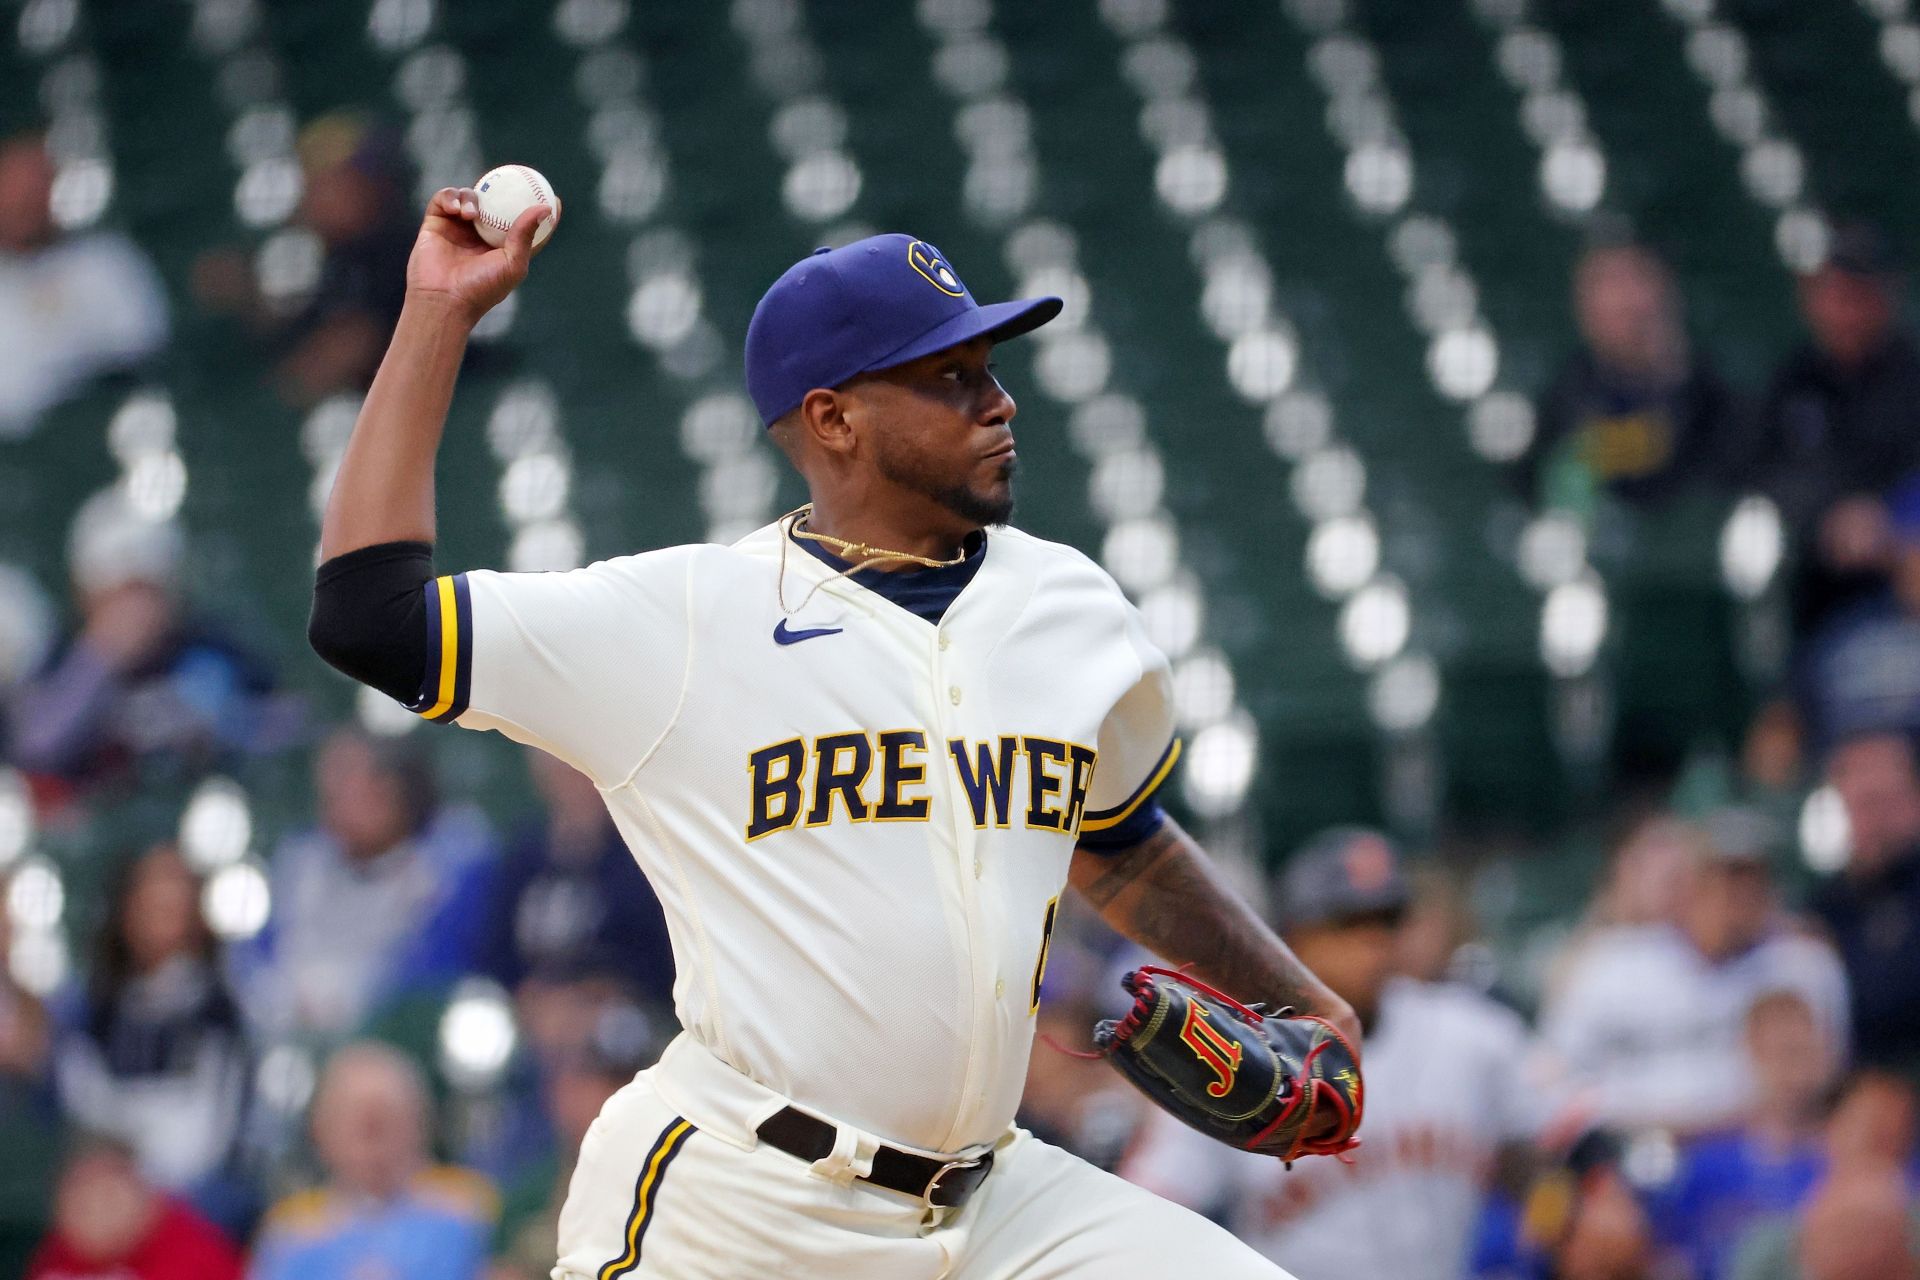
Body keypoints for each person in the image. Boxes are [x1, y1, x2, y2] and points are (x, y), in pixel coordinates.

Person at [306, 190, 1359, 1277]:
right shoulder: (683, 621)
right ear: (834, 418)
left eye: (990, 368)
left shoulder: (1074, 610)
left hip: (995, 1200)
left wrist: (1303, 1002)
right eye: (950, 377)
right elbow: (366, 614)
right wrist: (435, 313)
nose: (998, 402)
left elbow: (1119, 836)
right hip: (742, 1205)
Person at [1213, 829, 1560, 1280]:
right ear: (1293, 937)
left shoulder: (1472, 1032)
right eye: (1349, 923)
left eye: (1386, 920)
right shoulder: (1231, 1056)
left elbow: (1564, 1142)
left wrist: (1557, 1212)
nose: (1373, 943)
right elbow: (1158, 1197)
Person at [1541, 811, 1848, 1132]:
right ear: (1688, 886)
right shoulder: (1611, 963)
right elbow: (1555, 1078)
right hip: (1630, 1145)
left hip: (1761, 1148)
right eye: (1720, 881)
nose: (1735, 898)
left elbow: (1830, 1074)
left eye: (1750, 882)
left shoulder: (1803, 965)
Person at [7, 490, 291, 803]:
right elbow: (35, 751)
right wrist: (100, 658)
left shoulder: (211, 651)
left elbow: (283, 728)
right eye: (119, 596)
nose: (134, 613)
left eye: (147, 593)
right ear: (85, 597)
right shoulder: (61, 659)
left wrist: (211, 722)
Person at [235, 727, 496, 1039]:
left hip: (392, 1039)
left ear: (392, 789)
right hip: (292, 1034)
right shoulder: (303, 860)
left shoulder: (447, 861)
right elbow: (255, 958)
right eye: (327, 784)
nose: (330, 795)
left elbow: (435, 975)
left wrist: (343, 1003)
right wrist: (282, 1002)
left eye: (346, 780)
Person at [50, 842, 250, 1221]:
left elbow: (211, 1136)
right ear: (124, 912)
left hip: (193, 1198)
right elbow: (86, 1113)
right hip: (105, 1196)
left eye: (175, 906)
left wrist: (150, 1190)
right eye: (150, 904)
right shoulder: (91, 1012)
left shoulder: (219, 1011)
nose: (163, 918)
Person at [1754, 221, 1920, 636]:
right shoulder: (1790, 383)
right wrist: (1830, 519)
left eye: (1858, 295)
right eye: (1833, 293)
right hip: (1819, 585)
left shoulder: (1911, 376)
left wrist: (1891, 522)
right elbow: (1768, 476)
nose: (1844, 309)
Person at [192, 113, 415, 407]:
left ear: (375, 185)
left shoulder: (404, 253)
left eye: (332, 180)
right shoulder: (333, 259)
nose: (312, 193)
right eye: (311, 179)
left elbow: (340, 355)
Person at [250, 1041, 496, 1280]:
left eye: (388, 1121)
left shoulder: (469, 1212)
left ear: (421, 1123)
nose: (374, 1144)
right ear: (321, 1131)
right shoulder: (293, 1234)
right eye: (359, 1126)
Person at [1527, 240, 1745, 509]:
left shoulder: (1719, 390)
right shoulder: (1566, 396)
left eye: (1636, 277)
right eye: (1607, 283)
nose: (1626, 300)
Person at [1651, 991, 1836, 1280]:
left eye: (1804, 1051)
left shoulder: (1853, 1164)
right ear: (1751, 1051)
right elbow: (1672, 1259)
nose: (1795, 1072)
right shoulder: (1708, 1167)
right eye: (1781, 1053)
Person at [0, 131, 169, 438]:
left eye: (35, 184)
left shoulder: (107, 260)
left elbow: (140, 351)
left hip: (116, 427)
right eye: (13, 187)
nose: (26, 199)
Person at [479, 747, 674, 1004]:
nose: (571, 785)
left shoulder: (637, 856)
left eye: (578, 773)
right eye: (561, 773)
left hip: (623, 1010)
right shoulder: (525, 857)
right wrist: (527, 997)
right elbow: (496, 952)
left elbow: (654, 953)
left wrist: (596, 994)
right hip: (534, 1011)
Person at [1810, 731, 1920, 1076]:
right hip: (1856, 1087)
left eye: (1884, 802)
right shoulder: (1828, 905)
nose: (1874, 823)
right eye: (1860, 805)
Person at [23, 1137, 242, 1280]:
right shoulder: (56, 1255)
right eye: (81, 1202)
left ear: (144, 1195)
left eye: (109, 1197)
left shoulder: (194, 1255)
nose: (97, 1213)